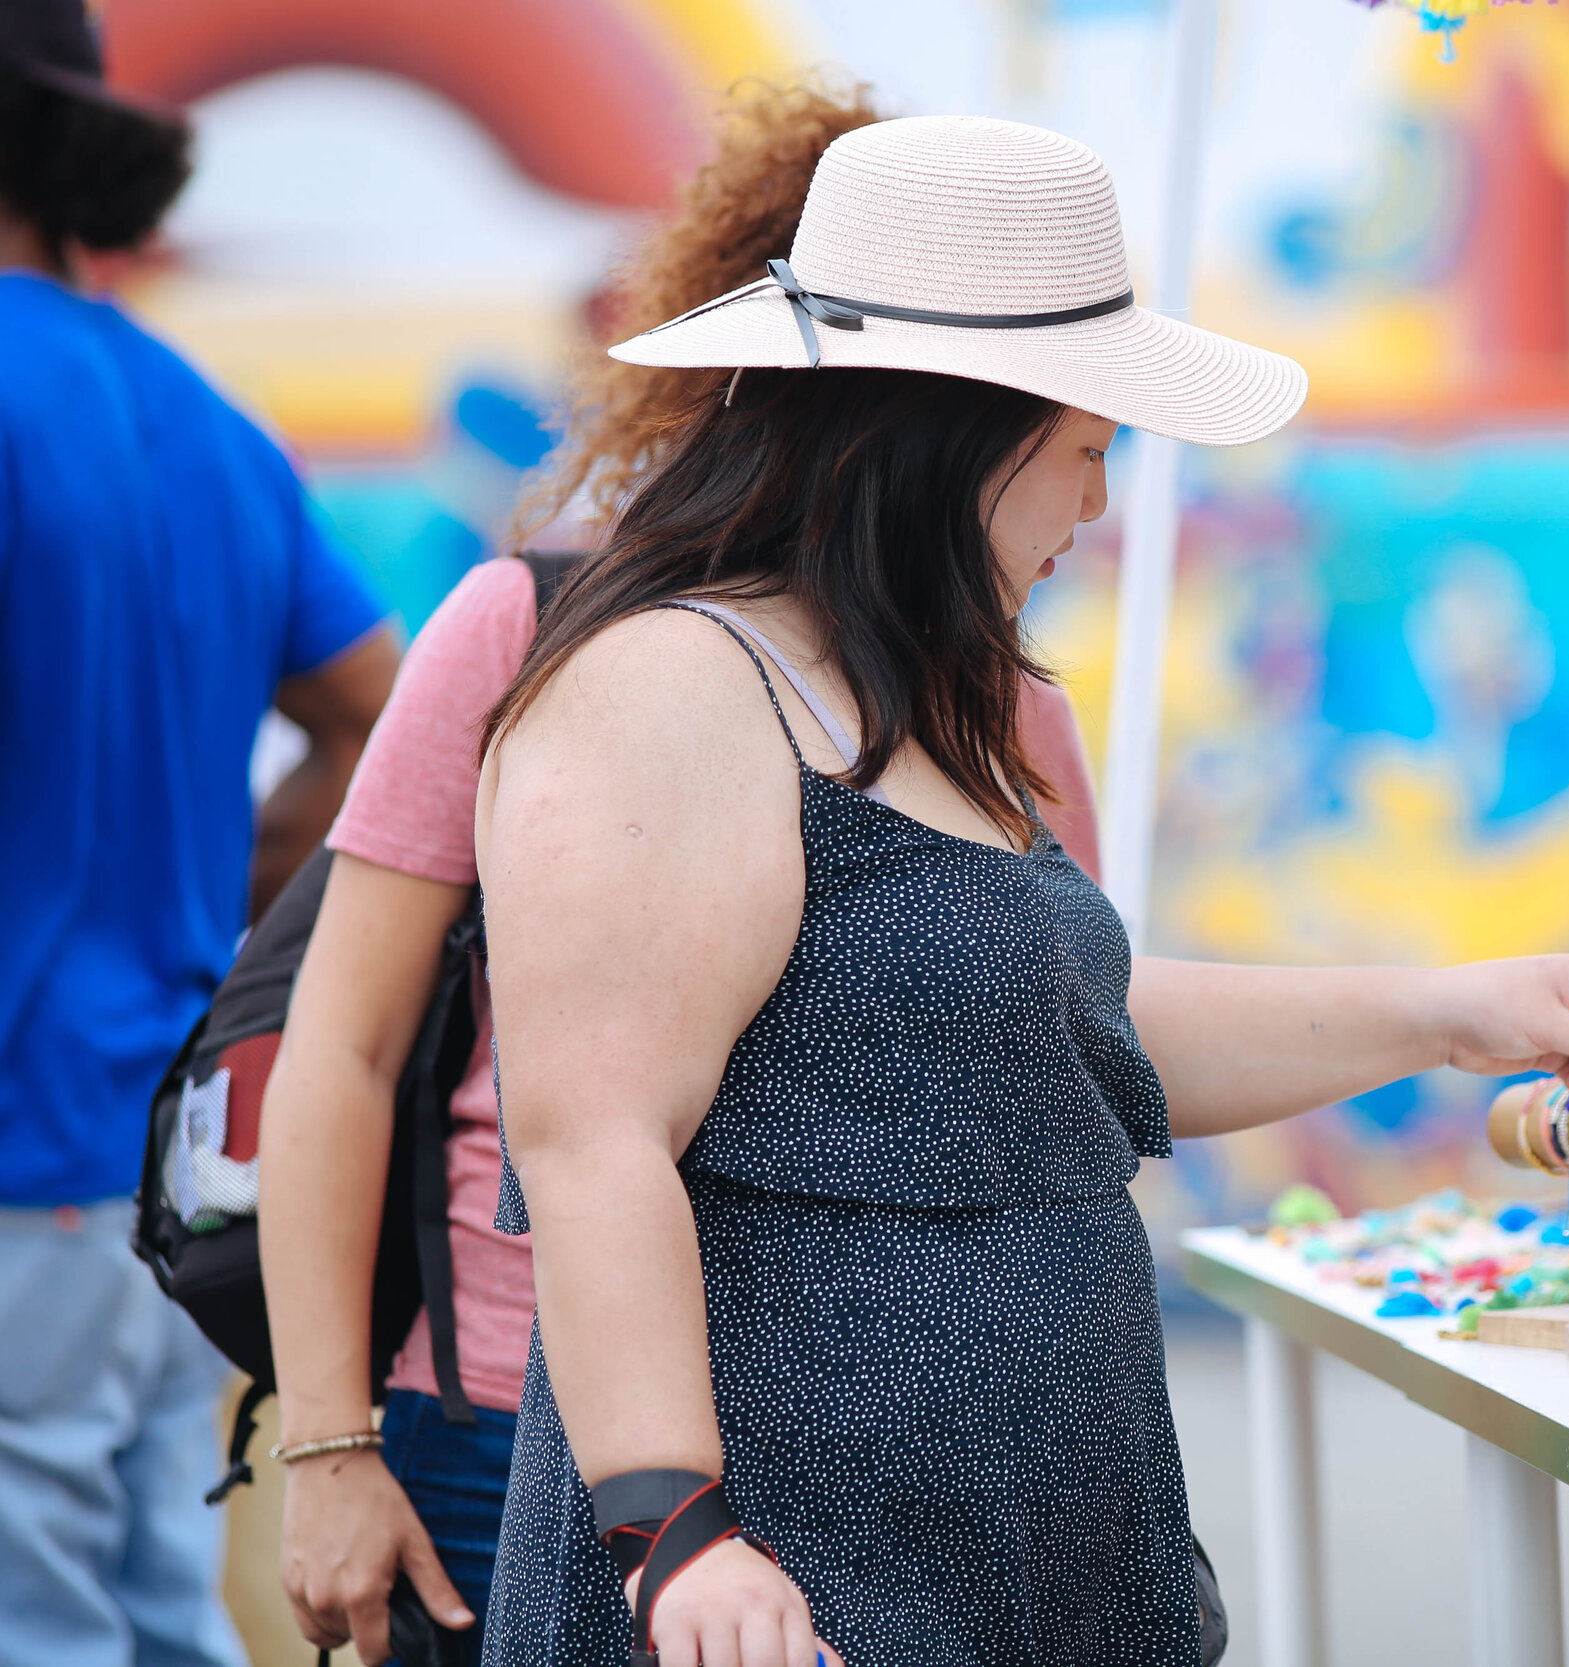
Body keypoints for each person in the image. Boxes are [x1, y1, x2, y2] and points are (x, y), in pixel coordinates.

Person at [463, 116, 1569, 1667]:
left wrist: (1447, 1009)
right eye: (1086, 451)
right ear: (962, 431)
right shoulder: (676, 684)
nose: (1095, 507)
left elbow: (1072, 1022)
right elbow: (593, 1132)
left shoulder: (924, 689)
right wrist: (678, 1534)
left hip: (1028, 1564)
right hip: (792, 1591)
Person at [259, 83, 1113, 1667]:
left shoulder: (1013, 701)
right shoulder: (540, 632)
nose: (1095, 493)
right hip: (520, 1419)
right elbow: (348, 1042)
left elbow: (1069, 1050)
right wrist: (329, 1443)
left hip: (916, 1480)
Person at [0, 6, 398, 1664]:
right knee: (161, 1607)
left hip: (23, 1167)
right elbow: (385, 719)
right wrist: (208, 889)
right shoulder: (207, 423)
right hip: (170, 1166)